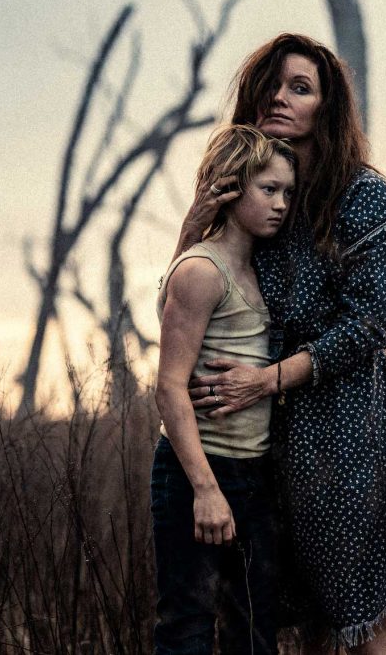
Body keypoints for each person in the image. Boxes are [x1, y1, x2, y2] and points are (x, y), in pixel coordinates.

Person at [173, 34, 386, 654]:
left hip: (340, 429)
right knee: (293, 613)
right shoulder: (256, 193)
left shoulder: (364, 197)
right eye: (272, 85)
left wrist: (269, 378)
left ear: (325, 108)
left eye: (300, 88)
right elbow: (185, 301)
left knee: (356, 612)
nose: (280, 98)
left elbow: (369, 327)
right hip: (257, 437)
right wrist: (194, 221)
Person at [152, 124, 296, 654]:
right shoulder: (201, 270)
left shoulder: (262, 268)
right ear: (233, 187)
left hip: (253, 474)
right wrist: (206, 492)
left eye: (287, 192)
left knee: (254, 632)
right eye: (268, 190)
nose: (281, 204)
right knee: (186, 627)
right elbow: (169, 389)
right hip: (196, 471)